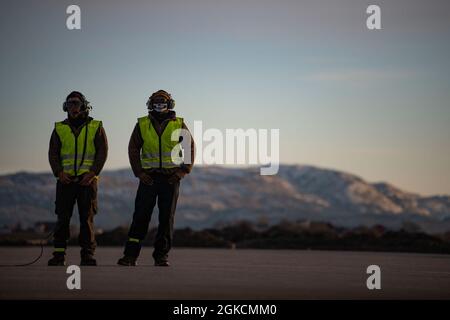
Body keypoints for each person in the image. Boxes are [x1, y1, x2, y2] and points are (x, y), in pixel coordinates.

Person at [118, 90, 195, 267]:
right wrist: (139, 173)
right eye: (156, 103)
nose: (160, 105)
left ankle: (161, 256)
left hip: (171, 179)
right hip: (148, 179)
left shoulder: (179, 124)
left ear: (170, 105)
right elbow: (133, 149)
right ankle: (130, 256)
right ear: (150, 105)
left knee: (167, 218)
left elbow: (189, 147)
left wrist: (183, 171)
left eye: (163, 102)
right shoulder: (142, 124)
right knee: (140, 217)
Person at [47, 91, 108, 266]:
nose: (73, 107)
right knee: (62, 219)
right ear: (65, 106)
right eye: (70, 103)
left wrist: (93, 173)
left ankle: (87, 255)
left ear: (84, 106)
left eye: (76, 103)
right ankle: (59, 255)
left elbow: (102, 152)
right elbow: (53, 153)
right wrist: (59, 172)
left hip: (87, 182)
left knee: (86, 220)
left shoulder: (96, 126)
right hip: (65, 181)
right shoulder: (59, 128)